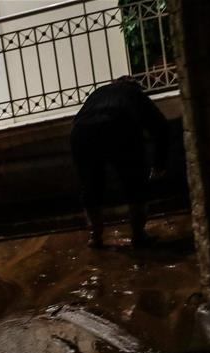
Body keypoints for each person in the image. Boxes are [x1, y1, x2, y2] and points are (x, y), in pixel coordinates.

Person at [70, 75, 169, 248]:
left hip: (81, 131)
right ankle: (138, 234)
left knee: (91, 186)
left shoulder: (99, 92)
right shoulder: (134, 93)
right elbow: (161, 127)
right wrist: (159, 164)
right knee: (135, 183)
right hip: (118, 125)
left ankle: (95, 236)